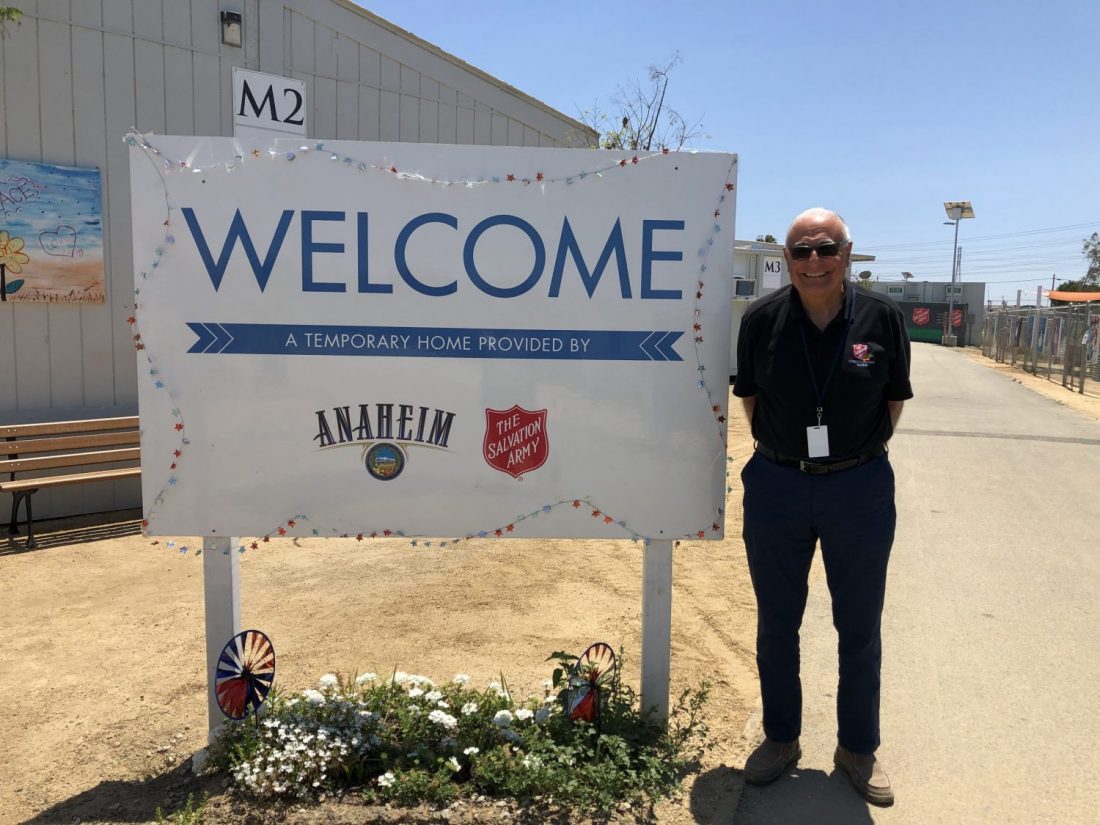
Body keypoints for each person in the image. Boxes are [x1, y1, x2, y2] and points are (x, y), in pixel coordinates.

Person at [733, 208, 912, 806]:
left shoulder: (882, 319)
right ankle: (781, 738)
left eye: (825, 249)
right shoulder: (761, 321)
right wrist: (791, 457)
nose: (814, 261)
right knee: (776, 622)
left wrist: (847, 461)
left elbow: (893, 402)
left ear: (847, 252)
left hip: (858, 490)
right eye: (801, 251)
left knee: (858, 627)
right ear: (786, 259)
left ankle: (857, 748)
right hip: (779, 485)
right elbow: (750, 398)